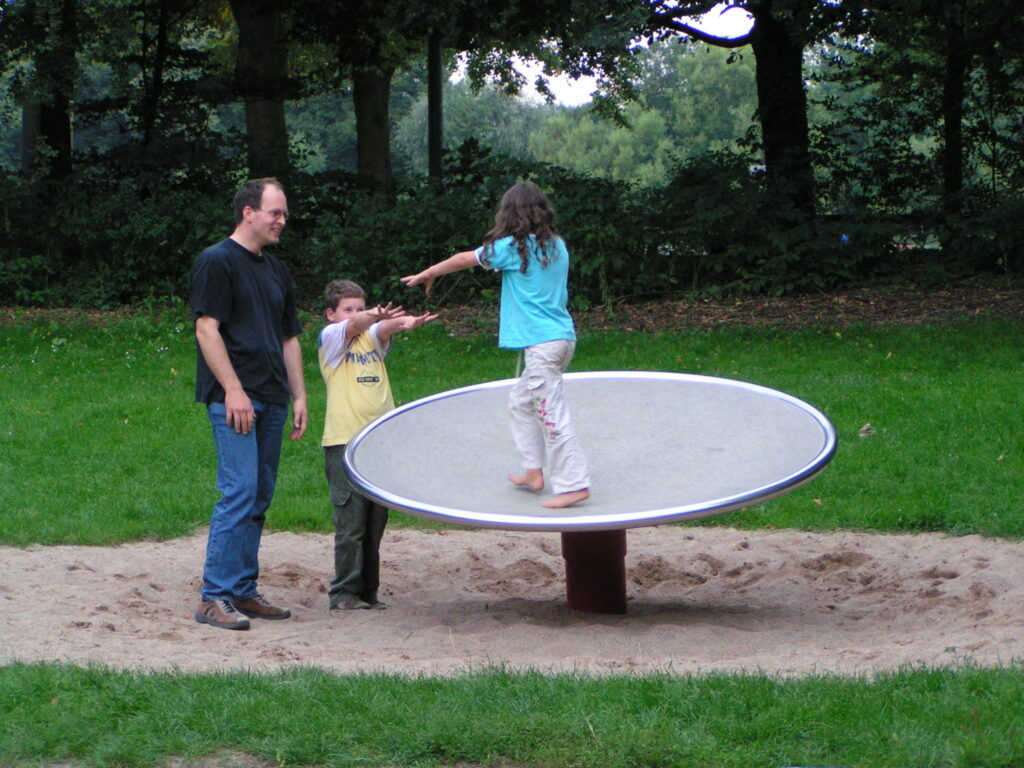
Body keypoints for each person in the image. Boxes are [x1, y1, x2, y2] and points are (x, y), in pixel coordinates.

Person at [401, 180, 590, 509]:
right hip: (561, 339)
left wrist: (430, 272)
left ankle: (575, 484)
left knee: (551, 413)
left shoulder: (512, 249)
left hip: (542, 345)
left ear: (510, 214)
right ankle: (533, 472)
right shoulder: (557, 245)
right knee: (521, 402)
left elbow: (463, 259)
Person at [189, 177, 308, 631]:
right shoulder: (217, 262)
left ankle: (241, 589)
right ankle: (213, 596)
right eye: (275, 213)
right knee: (238, 492)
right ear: (248, 213)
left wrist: (298, 394)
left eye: (283, 214)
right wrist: (233, 390)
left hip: (273, 398)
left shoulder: (276, 270)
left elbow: (288, 338)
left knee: (259, 496)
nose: (281, 221)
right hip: (234, 400)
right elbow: (207, 329)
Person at [319, 279, 437, 610]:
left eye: (361, 306)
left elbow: (384, 327)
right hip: (344, 442)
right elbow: (362, 323)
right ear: (331, 314)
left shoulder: (371, 337)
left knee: (374, 525)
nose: (356, 315)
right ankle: (343, 594)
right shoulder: (332, 339)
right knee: (351, 526)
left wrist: (406, 322)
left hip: (377, 444)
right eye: (347, 309)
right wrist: (369, 315)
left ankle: (368, 592)